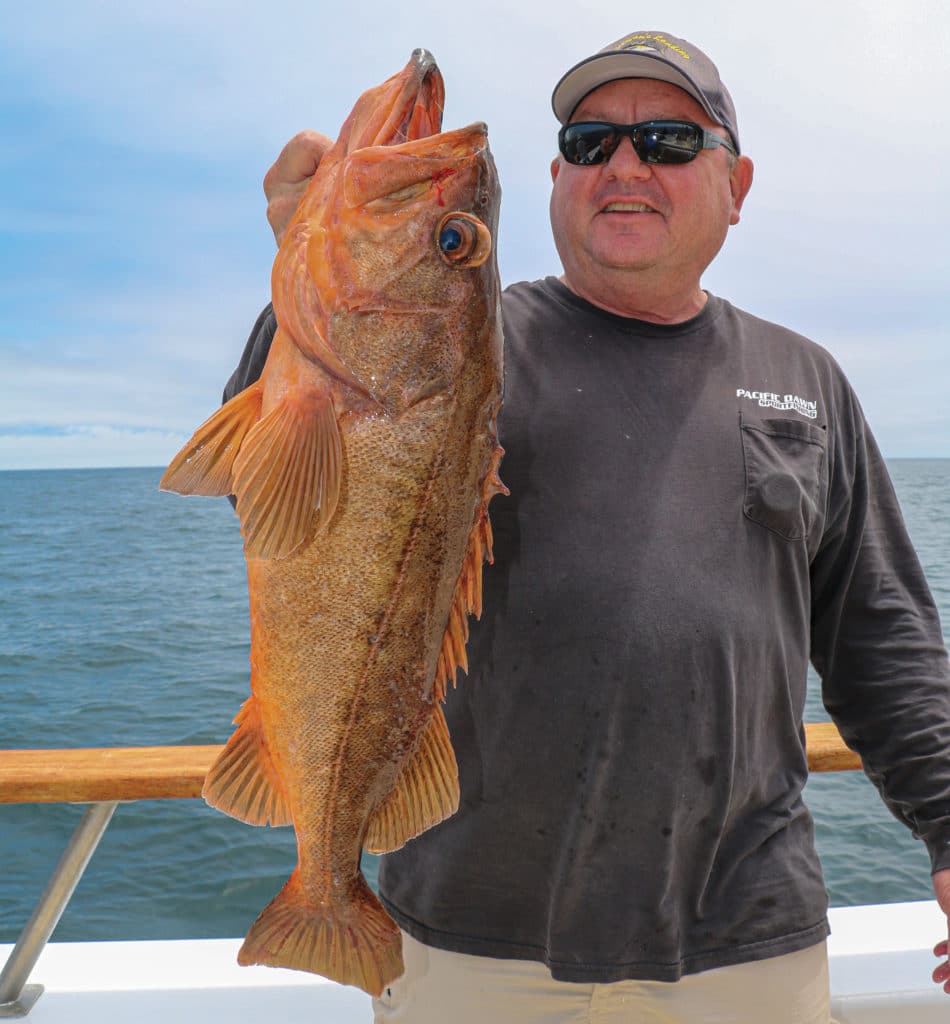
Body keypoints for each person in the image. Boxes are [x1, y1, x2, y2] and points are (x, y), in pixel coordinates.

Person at [225, 31, 950, 1023]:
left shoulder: (805, 381)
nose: (622, 165)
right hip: (464, 940)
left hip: (744, 944)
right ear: (559, 177)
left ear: (733, 185)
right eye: (587, 140)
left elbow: (881, 641)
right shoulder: (473, 345)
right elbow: (277, 488)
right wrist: (298, 280)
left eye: (665, 140)